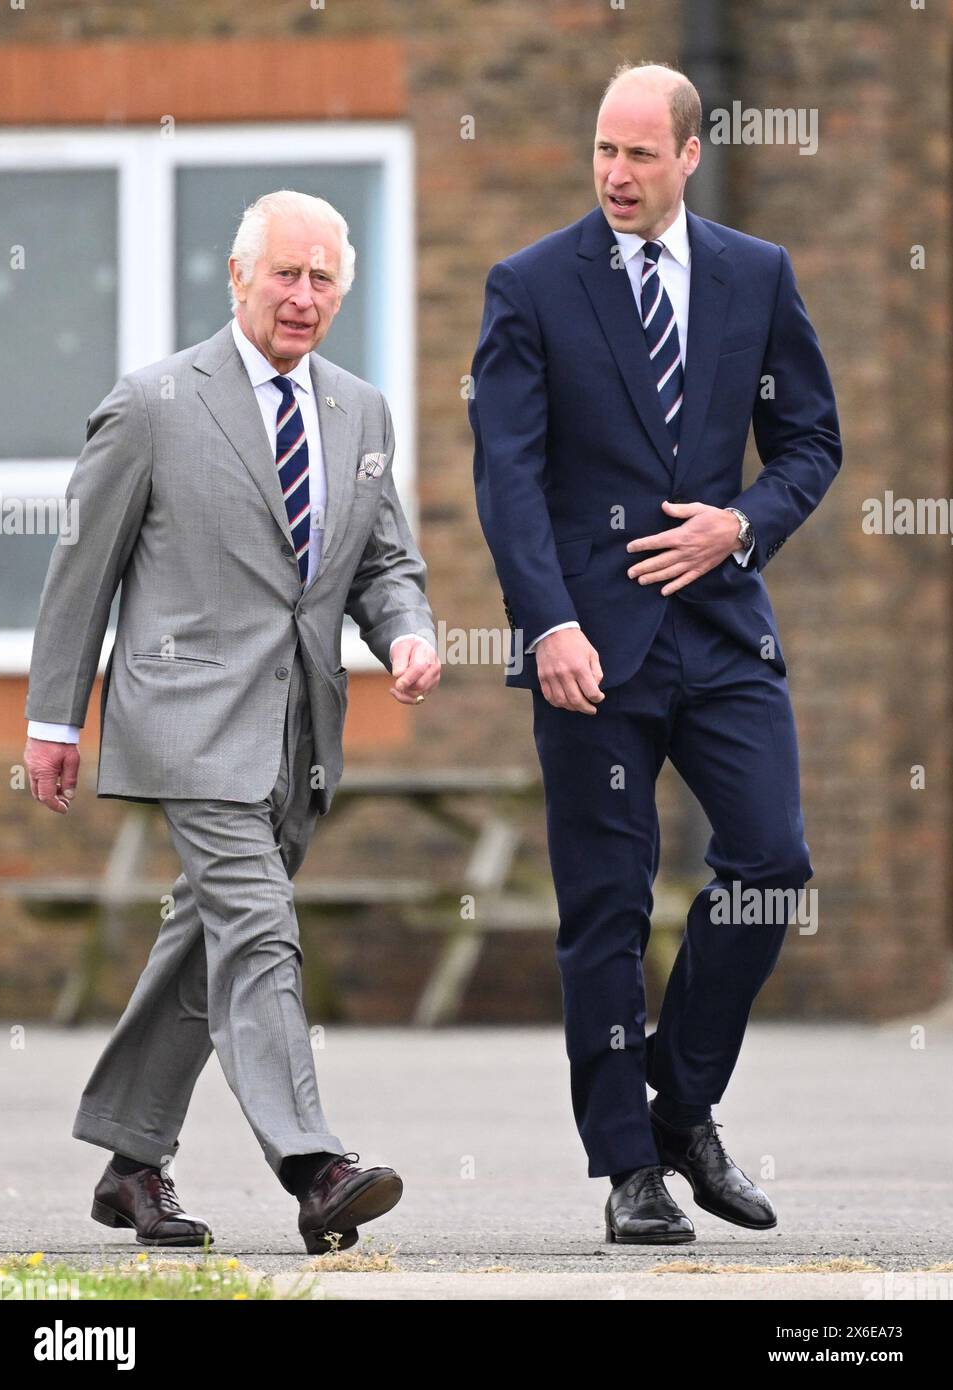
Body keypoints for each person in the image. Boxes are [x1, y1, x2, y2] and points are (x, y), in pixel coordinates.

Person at [24, 189, 441, 1254]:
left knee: (206, 940)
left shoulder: (362, 411)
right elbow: (84, 566)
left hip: (301, 731)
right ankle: (316, 1165)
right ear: (240, 277)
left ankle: (130, 1160)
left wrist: (406, 632)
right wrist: (54, 719)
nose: (303, 296)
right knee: (259, 928)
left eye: (323, 279)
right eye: (286, 274)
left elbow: (383, 561)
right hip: (187, 719)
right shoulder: (158, 401)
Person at [469, 62, 841, 1243]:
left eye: (640, 153)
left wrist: (746, 522)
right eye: (602, 151)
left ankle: (681, 1106)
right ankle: (628, 1168)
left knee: (772, 862)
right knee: (607, 911)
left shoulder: (755, 275)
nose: (616, 174)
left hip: (724, 630)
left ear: (689, 154)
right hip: (594, 645)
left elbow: (810, 439)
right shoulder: (530, 287)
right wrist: (550, 624)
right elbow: (508, 477)